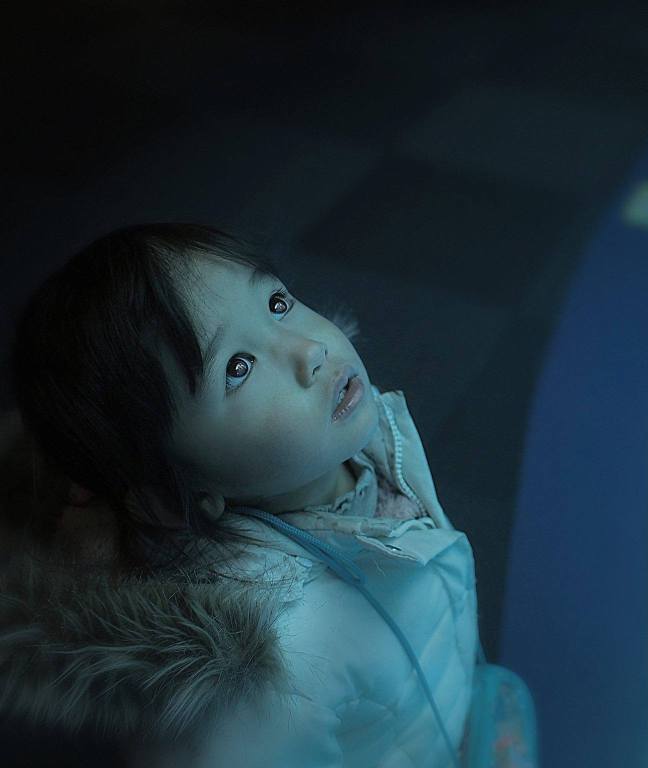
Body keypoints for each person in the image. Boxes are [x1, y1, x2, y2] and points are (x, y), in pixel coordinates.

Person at [0, 224, 491, 767]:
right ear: (174, 497)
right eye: (238, 367)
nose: (310, 350)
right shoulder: (263, 683)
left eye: (277, 304)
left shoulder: (342, 442)